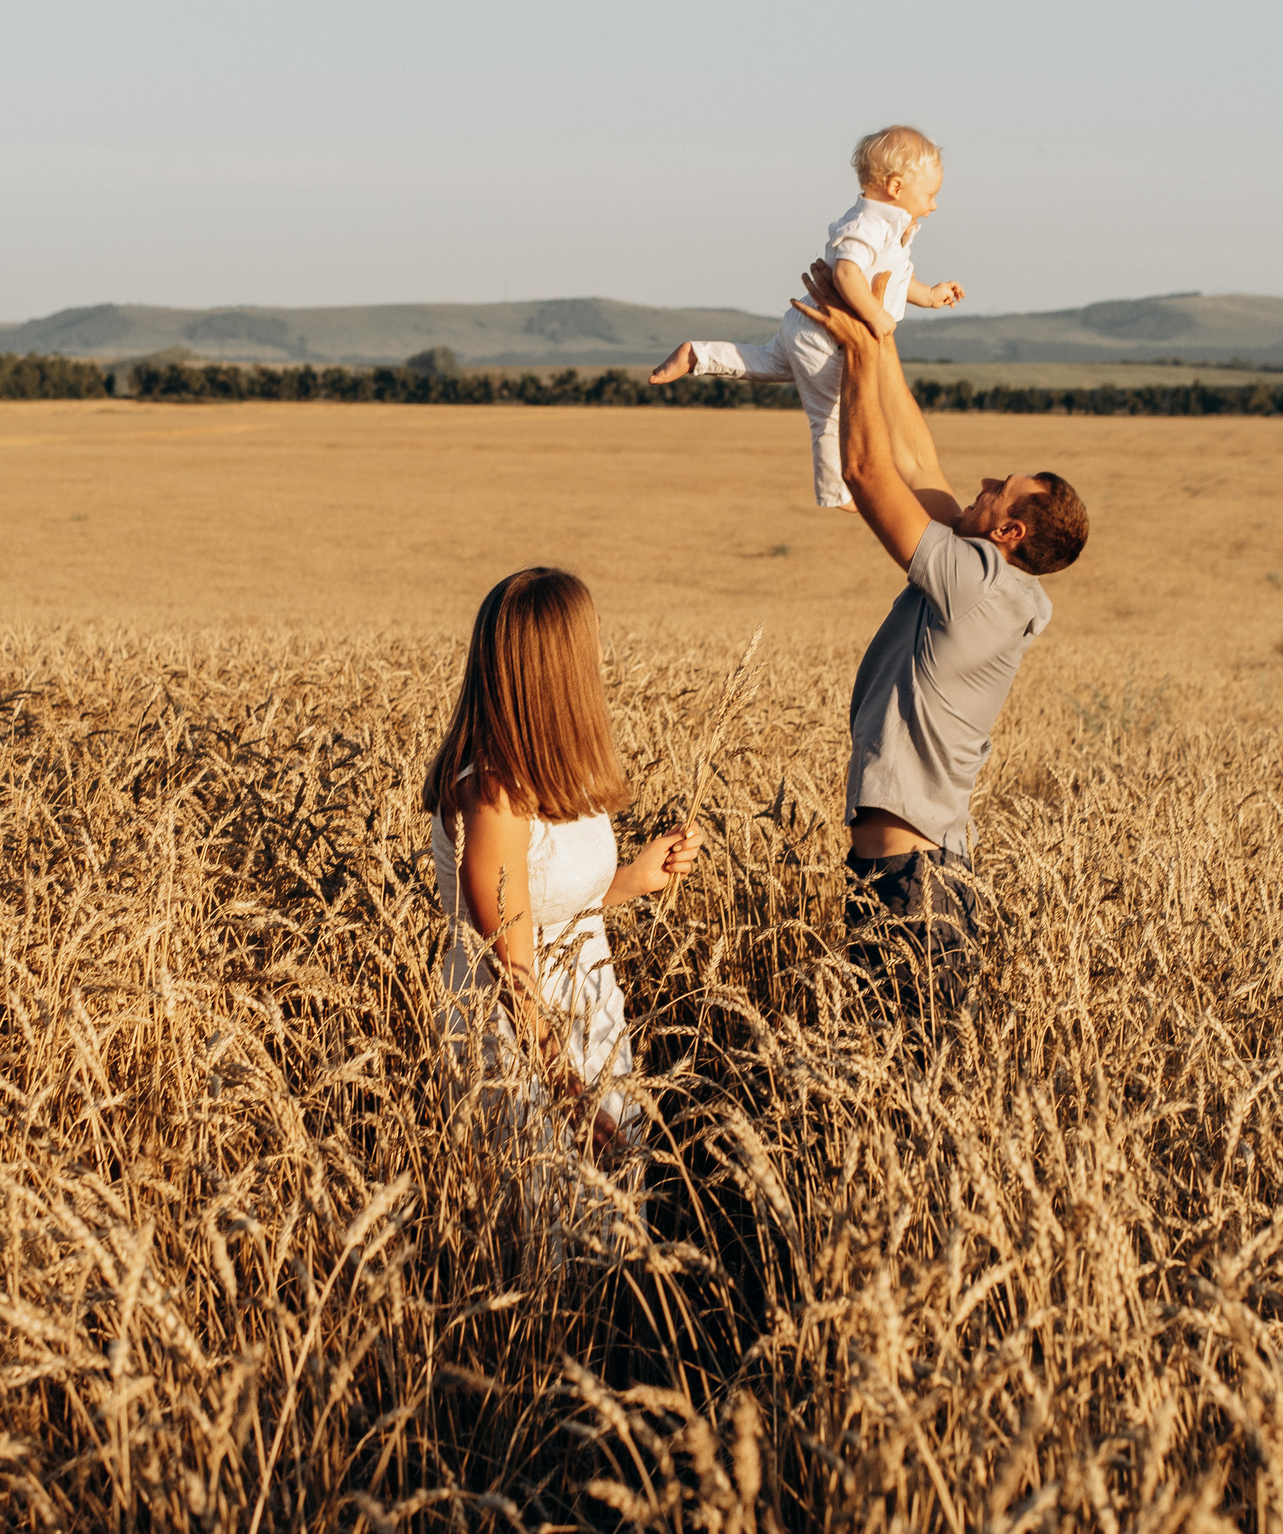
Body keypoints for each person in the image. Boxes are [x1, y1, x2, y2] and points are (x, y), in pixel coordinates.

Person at [789, 261, 1088, 1027]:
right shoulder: (984, 575)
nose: (979, 481)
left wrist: (859, 351)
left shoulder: (976, 583)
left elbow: (868, 471)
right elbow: (918, 460)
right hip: (906, 872)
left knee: (906, 1073)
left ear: (1009, 530)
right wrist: (882, 330)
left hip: (913, 884)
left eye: (997, 488)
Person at [421, 567, 705, 1193]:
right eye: (590, 639)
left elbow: (554, 902)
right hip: (522, 1046)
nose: (601, 652)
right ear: (557, 667)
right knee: (548, 1219)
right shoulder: (493, 795)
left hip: (589, 1015)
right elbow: (511, 969)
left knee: (611, 1212)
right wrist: (567, 1094)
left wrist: (637, 878)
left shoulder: (559, 775)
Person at [648, 126, 968, 510]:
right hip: (824, 338)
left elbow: (893, 276)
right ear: (896, 187)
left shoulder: (887, 227)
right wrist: (876, 317)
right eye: (930, 195)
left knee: (764, 361)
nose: (934, 205)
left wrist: (929, 295)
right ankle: (836, 491)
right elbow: (846, 273)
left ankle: (698, 355)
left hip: (808, 326)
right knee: (830, 414)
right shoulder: (868, 225)